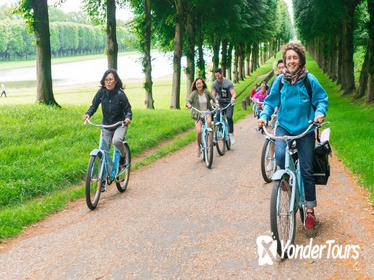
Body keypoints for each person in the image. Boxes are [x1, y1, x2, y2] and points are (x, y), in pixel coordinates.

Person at [257, 42, 329, 229]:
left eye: (294, 57)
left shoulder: (309, 80)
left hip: (305, 129)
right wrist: (264, 117)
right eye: (288, 57)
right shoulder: (280, 81)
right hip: (284, 127)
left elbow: (321, 99)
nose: (291, 61)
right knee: (280, 155)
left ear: (300, 59)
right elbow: (270, 102)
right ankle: (284, 179)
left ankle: (310, 210)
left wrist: (319, 113)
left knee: (306, 169)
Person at [83, 69, 132, 168]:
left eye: (111, 79)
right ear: (103, 81)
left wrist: (127, 118)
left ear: (116, 81)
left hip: (120, 125)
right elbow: (94, 106)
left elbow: (128, 110)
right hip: (106, 125)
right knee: (103, 151)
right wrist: (88, 114)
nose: (108, 82)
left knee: (116, 141)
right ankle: (103, 178)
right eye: (106, 80)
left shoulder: (120, 94)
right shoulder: (101, 92)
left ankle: (123, 156)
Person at [186, 78, 216, 157]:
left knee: (209, 122)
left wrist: (217, 103)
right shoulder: (194, 93)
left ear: (203, 84)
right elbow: (188, 101)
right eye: (197, 84)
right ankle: (198, 147)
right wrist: (188, 105)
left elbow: (213, 98)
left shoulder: (206, 91)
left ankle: (211, 138)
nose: (199, 85)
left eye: (200, 83)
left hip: (206, 112)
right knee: (199, 131)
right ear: (195, 86)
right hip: (198, 114)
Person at [211, 68, 237, 144]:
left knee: (229, 117)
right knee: (217, 117)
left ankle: (231, 134)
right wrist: (214, 101)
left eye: (218, 76)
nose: (217, 78)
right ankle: (220, 132)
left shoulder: (228, 83)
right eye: (216, 76)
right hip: (220, 103)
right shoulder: (215, 84)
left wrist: (233, 98)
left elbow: (234, 93)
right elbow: (213, 95)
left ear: (222, 74)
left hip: (229, 102)